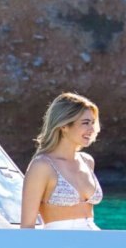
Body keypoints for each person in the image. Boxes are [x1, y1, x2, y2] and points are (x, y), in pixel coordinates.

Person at [20, 93, 104, 230]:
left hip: (93, 237)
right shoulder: (42, 166)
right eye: (85, 123)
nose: (92, 129)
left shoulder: (87, 161)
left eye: (92, 123)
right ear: (64, 125)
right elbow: (27, 226)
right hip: (59, 241)